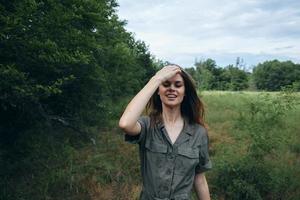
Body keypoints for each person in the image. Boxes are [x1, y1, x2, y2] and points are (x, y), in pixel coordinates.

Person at [119, 64, 212, 200]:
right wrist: (156, 79)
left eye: (178, 85)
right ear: (158, 90)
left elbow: (199, 179)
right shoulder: (147, 126)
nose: (172, 89)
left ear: (185, 92)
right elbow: (125, 124)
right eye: (166, 84)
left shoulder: (199, 133)